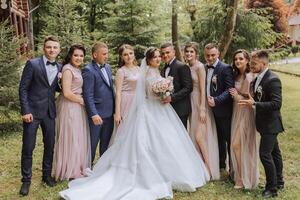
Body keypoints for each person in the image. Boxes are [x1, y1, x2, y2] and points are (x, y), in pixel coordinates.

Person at [59, 47, 209, 200]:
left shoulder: (158, 71)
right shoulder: (143, 72)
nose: (158, 59)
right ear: (148, 60)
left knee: (167, 140)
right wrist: (157, 91)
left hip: (161, 109)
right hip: (148, 109)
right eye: (155, 57)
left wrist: (165, 90)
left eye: (159, 56)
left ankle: (169, 171)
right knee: (142, 142)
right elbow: (139, 92)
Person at [18, 35, 61, 196]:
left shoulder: (61, 67)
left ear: (59, 50)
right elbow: (23, 89)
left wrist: (62, 83)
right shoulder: (32, 64)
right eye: (49, 47)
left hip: (50, 112)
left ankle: (46, 175)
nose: (52, 50)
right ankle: (26, 180)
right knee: (28, 147)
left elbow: (58, 89)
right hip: (32, 113)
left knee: (49, 145)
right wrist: (25, 110)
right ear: (44, 48)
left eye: (55, 47)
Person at [239, 50, 284, 198]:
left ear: (263, 64)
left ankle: (271, 188)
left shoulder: (273, 79)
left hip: (271, 124)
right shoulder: (257, 78)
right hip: (264, 123)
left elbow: (276, 104)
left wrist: (256, 104)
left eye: (254, 63)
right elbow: (258, 96)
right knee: (275, 153)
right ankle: (279, 182)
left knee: (265, 155)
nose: (251, 65)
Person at [52, 44, 91, 181]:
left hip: (77, 106)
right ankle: (69, 169)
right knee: (70, 136)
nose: (79, 58)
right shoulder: (68, 69)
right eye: (76, 55)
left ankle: (78, 166)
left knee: (77, 136)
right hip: (69, 106)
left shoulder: (78, 69)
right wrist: (84, 101)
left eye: (81, 56)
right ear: (70, 56)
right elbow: (67, 93)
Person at [184, 42, 220, 180]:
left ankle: (209, 169)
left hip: (200, 102)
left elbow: (203, 88)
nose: (189, 54)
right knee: (193, 135)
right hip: (190, 103)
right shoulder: (187, 67)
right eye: (187, 52)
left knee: (200, 137)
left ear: (196, 54)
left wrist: (203, 108)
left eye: (191, 52)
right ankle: (199, 168)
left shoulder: (199, 67)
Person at [228, 49, 259, 189]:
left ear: (247, 60)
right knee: (238, 146)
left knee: (238, 145)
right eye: (236, 59)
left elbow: (249, 100)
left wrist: (236, 95)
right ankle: (239, 174)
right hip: (236, 112)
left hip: (245, 113)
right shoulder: (236, 76)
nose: (238, 61)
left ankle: (242, 178)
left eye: (241, 58)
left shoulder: (249, 77)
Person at [204, 43, 234, 174]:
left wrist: (217, 100)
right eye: (207, 55)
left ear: (218, 54)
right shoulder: (204, 68)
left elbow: (229, 89)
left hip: (222, 109)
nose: (210, 58)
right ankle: (221, 164)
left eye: (212, 55)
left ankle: (233, 168)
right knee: (217, 138)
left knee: (228, 138)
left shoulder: (225, 68)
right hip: (208, 110)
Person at [82, 42, 114, 164]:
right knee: (92, 144)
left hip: (109, 113)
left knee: (105, 145)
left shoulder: (108, 67)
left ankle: (103, 168)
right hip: (97, 115)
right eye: (104, 54)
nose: (107, 56)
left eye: (107, 54)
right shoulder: (88, 70)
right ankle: (87, 167)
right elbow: (88, 95)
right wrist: (93, 114)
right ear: (95, 55)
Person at [110, 44, 139, 144]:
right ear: (121, 57)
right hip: (126, 102)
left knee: (137, 128)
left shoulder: (139, 69)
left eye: (131, 53)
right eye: (125, 54)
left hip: (138, 102)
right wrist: (117, 113)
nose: (129, 56)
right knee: (126, 128)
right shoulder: (121, 71)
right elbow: (118, 93)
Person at [160, 42, 193, 128]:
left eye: (167, 52)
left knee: (181, 137)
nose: (165, 55)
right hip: (167, 108)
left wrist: (172, 98)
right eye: (163, 53)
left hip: (180, 108)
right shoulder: (163, 69)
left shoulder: (182, 67)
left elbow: (188, 88)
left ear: (174, 52)